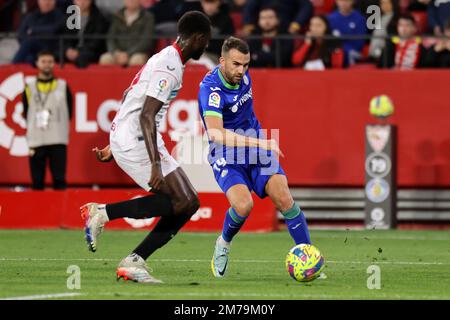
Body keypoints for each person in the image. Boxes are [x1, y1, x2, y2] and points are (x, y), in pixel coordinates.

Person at [80, 11, 211, 284]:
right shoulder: (170, 65)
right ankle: (104, 217)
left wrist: (113, 145)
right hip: (137, 139)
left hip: (132, 137)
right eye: (206, 41)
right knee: (182, 202)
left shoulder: (165, 57)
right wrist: (153, 164)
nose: (207, 46)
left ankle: (133, 258)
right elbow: (146, 115)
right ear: (197, 38)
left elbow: (131, 95)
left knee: (189, 203)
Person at [198, 37, 320, 279]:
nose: (241, 71)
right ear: (222, 61)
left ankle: (308, 259)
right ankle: (223, 243)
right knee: (243, 205)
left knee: (284, 197)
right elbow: (216, 133)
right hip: (226, 151)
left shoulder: (243, 76)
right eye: (235, 64)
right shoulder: (210, 90)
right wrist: (260, 141)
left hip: (254, 146)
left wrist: (257, 142)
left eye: (246, 65)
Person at [22, 50, 73, 190]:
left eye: (50, 61)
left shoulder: (63, 86)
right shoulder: (29, 87)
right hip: (36, 139)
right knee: (37, 182)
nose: (47, 65)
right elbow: (26, 112)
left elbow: (69, 112)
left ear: (54, 64)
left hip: (58, 139)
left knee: (60, 180)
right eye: (43, 61)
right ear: (37, 63)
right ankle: (36, 211)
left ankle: (62, 211)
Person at [99, 0, 155, 67]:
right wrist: (115, 52)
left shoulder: (148, 17)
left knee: (136, 60)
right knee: (105, 59)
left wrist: (128, 54)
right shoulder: (117, 15)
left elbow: (146, 41)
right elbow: (110, 38)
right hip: (118, 53)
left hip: (138, 52)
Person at [13, 0, 65, 65]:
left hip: (51, 48)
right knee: (29, 58)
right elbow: (20, 35)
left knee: (29, 41)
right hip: (33, 50)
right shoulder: (32, 15)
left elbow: (52, 30)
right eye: (44, 0)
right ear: (38, 1)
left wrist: (32, 31)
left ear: (54, 2)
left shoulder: (60, 16)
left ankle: (12, 67)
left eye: (50, 0)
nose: (47, 2)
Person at [64, 0, 110, 68]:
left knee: (83, 58)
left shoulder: (99, 18)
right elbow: (65, 37)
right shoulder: (69, 17)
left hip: (92, 51)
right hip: (73, 51)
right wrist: (68, 50)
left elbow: (96, 42)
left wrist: (79, 52)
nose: (82, 2)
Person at [327, 0, 367, 66]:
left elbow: (359, 41)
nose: (344, 3)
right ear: (336, 1)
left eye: (347, 1)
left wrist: (346, 49)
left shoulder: (360, 19)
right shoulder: (330, 19)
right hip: (334, 53)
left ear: (353, 1)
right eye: (341, 1)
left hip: (353, 53)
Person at [242, 0, 313, 36]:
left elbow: (306, 6)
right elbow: (248, 7)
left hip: (287, 28)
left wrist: (297, 23)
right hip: (262, 29)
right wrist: (248, 23)